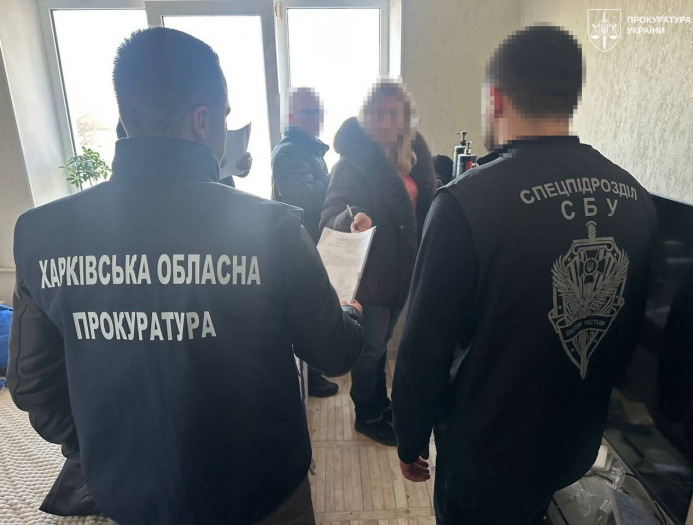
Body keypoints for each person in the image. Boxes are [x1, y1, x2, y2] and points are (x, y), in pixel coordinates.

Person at [7, 27, 364, 525]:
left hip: (131, 499)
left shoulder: (41, 234)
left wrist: (105, 447)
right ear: (203, 121)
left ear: (127, 115)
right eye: (224, 117)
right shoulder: (271, 228)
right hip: (260, 493)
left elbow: (32, 385)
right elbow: (334, 352)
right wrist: (349, 311)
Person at [392, 25, 657, 525]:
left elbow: (423, 348)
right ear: (571, 97)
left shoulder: (465, 203)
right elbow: (628, 335)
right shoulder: (636, 198)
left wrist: (409, 438)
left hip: (486, 456)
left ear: (495, 98)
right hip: (573, 447)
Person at [320, 79, 436, 446]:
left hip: (403, 272)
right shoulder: (352, 163)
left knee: (382, 342)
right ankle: (367, 415)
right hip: (370, 273)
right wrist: (353, 217)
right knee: (369, 350)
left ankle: (381, 403)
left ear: (405, 117)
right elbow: (332, 211)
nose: (387, 122)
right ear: (366, 117)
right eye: (379, 113)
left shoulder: (412, 158)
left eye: (394, 113)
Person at [271, 87, 338, 397]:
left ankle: (314, 373)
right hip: (299, 245)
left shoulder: (307, 150)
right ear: (292, 116)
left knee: (313, 308)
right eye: (309, 112)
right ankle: (310, 377)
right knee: (307, 311)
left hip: (310, 241)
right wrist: (334, 176)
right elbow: (303, 200)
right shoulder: (288, 153)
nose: (316, 118)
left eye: (318, 111)